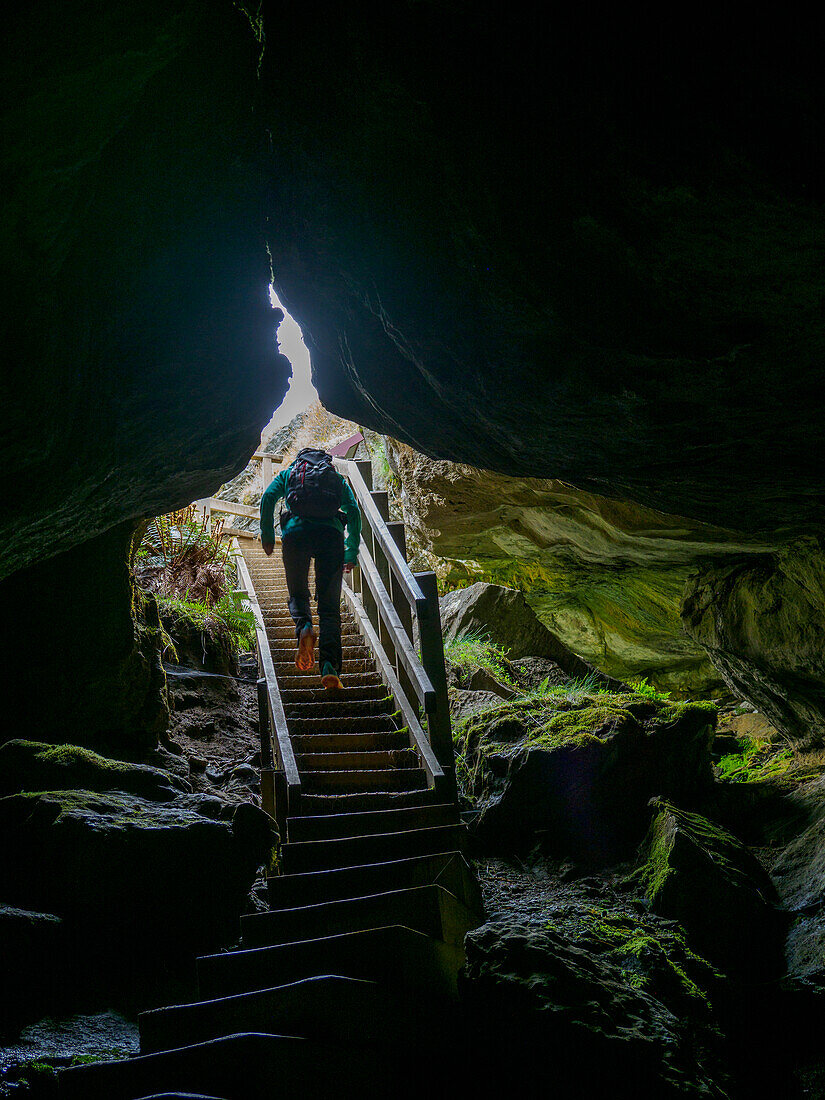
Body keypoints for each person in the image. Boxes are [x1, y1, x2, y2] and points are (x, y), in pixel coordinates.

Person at [260, 448, 361, 690]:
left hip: (296, 535)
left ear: (300, 461)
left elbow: (268, 498)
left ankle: (304, 627)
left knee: (298, 593)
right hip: (331, 537)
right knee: (329, 609)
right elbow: (353, 511)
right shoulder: (336, 478)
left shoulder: (289, 474)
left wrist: (267, 536)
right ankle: (329, 668)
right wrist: (350, 551)